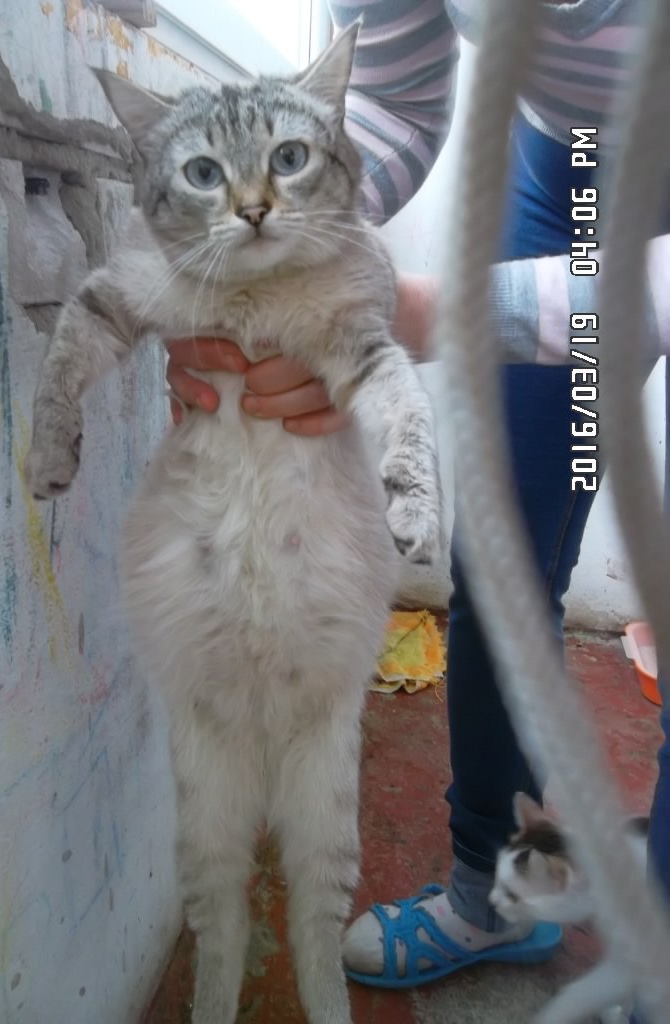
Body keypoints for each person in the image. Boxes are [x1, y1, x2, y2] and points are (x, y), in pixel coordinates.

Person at [165, 0, 670, 1004]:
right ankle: (493, 892)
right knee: (503, 558)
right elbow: (392, 101)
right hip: (568, 167)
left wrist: (425, 313)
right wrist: (295, 245)